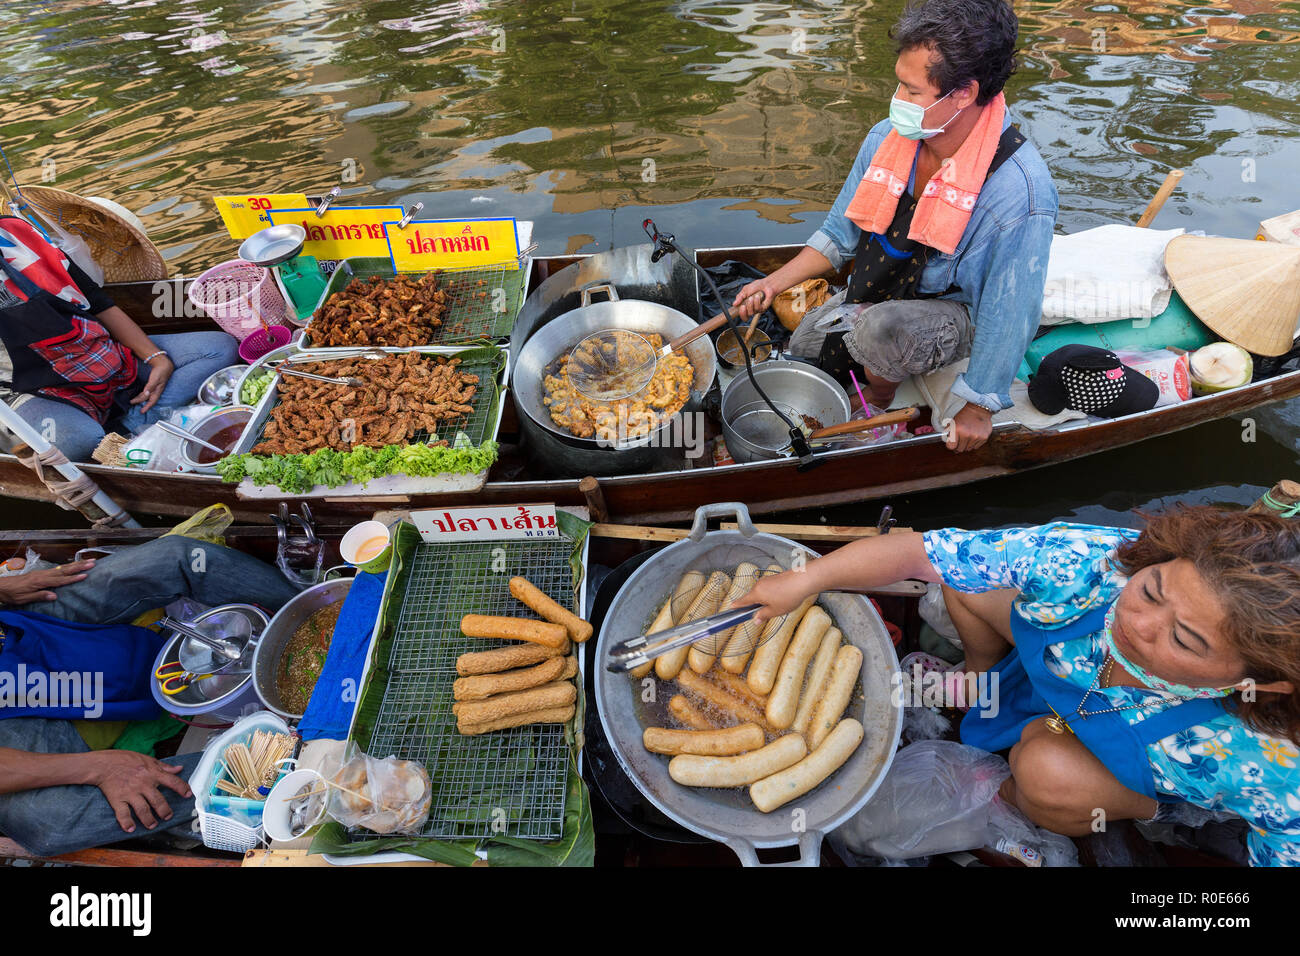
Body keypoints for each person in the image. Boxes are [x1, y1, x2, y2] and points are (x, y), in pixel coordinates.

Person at [741, 505, 1300, 866]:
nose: (1137, 623)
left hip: (1128, 763)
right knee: (964, 585)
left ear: (1266, 683)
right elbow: (923, 553)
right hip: (1061, 673)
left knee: (1042, 768)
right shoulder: (1090, 562)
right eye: (1152, 589)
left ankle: (1009, 807)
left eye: (1185, 640)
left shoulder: (1269, 763)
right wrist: (806, 579)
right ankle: (978, 679)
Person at [732, 0, 1057, 453]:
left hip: (955, 312)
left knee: (881, 332)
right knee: (806, 346)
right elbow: (839, 235)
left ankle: (878, 409)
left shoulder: (1019, 193)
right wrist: (771, 283)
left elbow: (1010, 312)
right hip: (885, 284)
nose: (897, 102)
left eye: (912, 91)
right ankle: (869, 363)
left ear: (963, 93)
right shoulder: (888, 137)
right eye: (899, 85)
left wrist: (978, 406)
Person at [0, 535, 299, 856]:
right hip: (13, 724)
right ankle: (289, 757)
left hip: (15, 630)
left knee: (177, 558)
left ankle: (321, 614)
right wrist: (98, 767)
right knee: (47, 824)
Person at [0, 214, 238, 461]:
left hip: (98, 355)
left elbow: (96, 300)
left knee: (218, 348)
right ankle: (128, 428)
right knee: (80, 444)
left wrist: (156, 359)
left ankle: (134, 422)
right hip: (34, 389)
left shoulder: (16, 231)